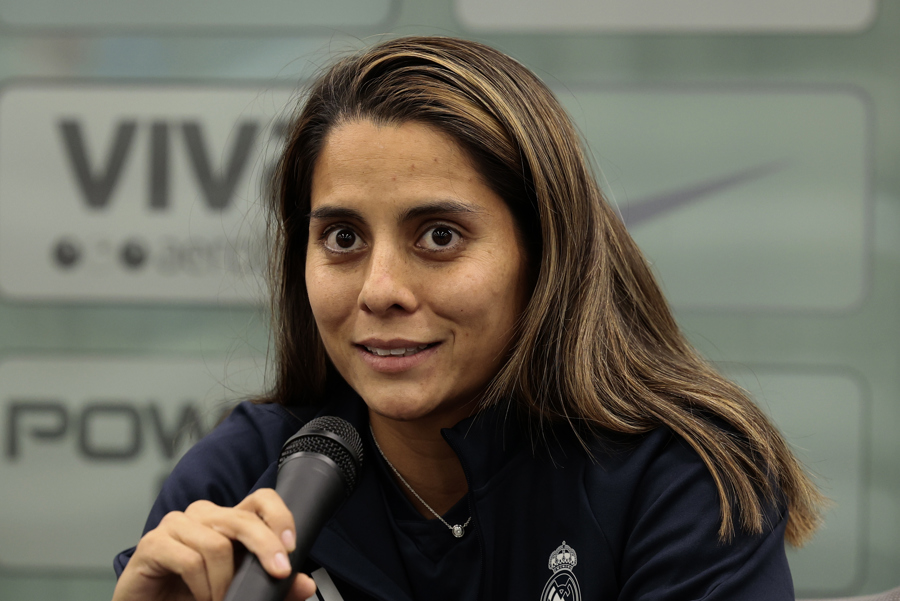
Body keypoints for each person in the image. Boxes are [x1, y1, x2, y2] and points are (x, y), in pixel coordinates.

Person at [112, 36, 824, 601]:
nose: (380, 289)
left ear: (545, 254)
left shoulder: (675, 478)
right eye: (343, 238)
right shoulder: (240, 479)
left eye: (439, 236)